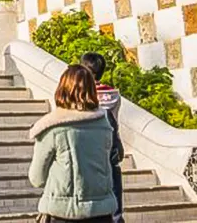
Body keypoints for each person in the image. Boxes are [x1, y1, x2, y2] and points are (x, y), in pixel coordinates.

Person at [28, 65, 118, 223]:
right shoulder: (104, 124)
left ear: (62, 89)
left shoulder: (53, 127)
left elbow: (37, 178)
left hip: (62, 213)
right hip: (101, 213)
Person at [81, 53, 125, 223]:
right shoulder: (113, 95)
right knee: (115, 201)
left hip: (92, 151)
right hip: (112, 147)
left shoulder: (86, 96)